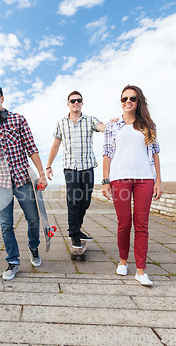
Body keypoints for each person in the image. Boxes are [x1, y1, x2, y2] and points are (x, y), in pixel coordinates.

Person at [0, 81, 47, 281]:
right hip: (0, 182)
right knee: (6, 224)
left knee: (33, 219)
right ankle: (13, 261)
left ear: (2, 98)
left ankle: (33, 246)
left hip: (23, 178)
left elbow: (31, 147)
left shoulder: (18, 119)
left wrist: (41, 174)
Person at [102, 85, 162, 286]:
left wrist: (158, 181)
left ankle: (141, 270)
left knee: (142, 224)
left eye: (132, 98)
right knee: (124, 223)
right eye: (124, 98)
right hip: (120, 179)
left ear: (139, 102)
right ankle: (123, 261)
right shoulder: (113, 126)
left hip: (145, 178)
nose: (128, 101)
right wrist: (105, 181)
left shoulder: (148, 126)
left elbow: (155, 153)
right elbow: (107, 154)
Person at [46, 90, 106, 249]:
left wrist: (111, 125)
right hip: (70, 168)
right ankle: (73, 234)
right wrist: (48, 166)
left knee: (85, 201)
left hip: (87, 167)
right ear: (68, 104)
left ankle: (76, 229)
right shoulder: (61, 123)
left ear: (82, 102)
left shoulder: (90, 120)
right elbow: (55, 145)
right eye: (72, 101)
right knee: (73, 202)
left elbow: (102, 127)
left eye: (78, 100)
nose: (75, 103)